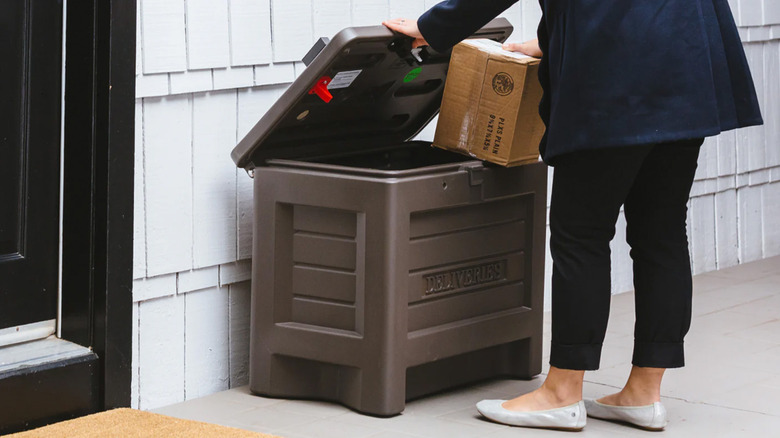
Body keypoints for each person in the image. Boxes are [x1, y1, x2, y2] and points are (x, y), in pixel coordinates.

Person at [383, 0, 762, 431]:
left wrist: (434, 26)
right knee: (662, 232)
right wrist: (549, 42)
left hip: (617, 70)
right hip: (686, 60)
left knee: (580, 233)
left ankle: (562, 393)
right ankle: (644, 393)